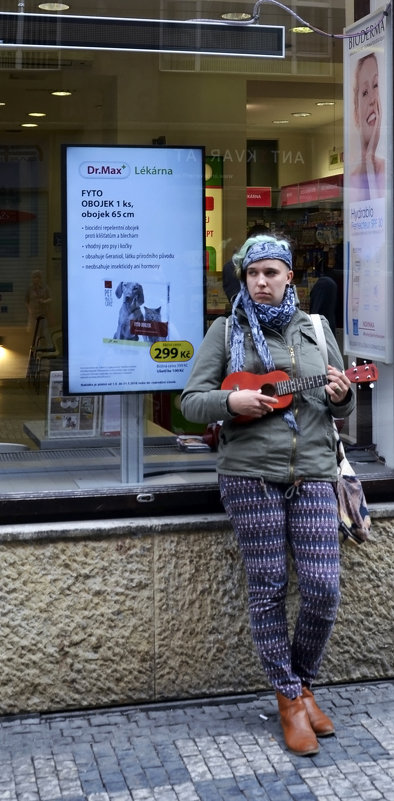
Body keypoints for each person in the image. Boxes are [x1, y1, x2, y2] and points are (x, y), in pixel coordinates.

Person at [180, 234, 354, 757]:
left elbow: (337, 405)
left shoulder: (318, 331)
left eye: (272, 272)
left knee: (323, 588)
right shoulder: (224, 329)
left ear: (289, 278)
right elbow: (191, 402)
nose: (261, 282)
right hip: (249, 474)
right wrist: (232, 401)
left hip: (315, 472)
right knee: (270, 585)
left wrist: (342, 397)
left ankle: (300, 683)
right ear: (243, 278)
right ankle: (288, 698)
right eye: (253, 274)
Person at [350, 52, 385, 201]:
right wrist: (368, 158)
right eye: (364, 92)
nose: (372, 99)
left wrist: (370, 156)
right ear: (356, 114)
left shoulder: (387, 169)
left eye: (375, 85)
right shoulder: (351, 181)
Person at [222, 224, 270, 304]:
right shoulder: (232, 266)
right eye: (252, 273)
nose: (261, 282)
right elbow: (237, 302)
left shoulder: (274, 263)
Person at [25, 269, 52, 343]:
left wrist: (44, 301)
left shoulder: (45, 287)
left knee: (44, 332)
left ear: (40, 278)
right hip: (33, 315)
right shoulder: (29, 288)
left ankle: (45, 349)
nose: (35, 279)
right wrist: (29, 309)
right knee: (34, 333)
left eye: (37, 277)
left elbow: (50, 298)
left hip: (43, 314)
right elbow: (26, 301)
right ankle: (36, 349)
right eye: (34, 277)